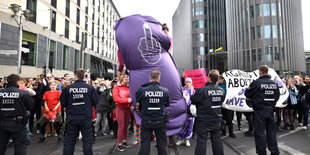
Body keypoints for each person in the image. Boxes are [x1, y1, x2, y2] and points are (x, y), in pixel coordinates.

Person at [60, 69, 98, 155]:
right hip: (86, 118)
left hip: (72, 118)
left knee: (69, 141)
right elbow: (96, 101)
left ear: (75, 76)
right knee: (87, 141)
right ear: (83, 76)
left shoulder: (68, 88)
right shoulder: (90, 88)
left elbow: (62, 102)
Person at [245, 65, 280, 155]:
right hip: (271, 110)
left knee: (260, 133)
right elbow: (277, 96)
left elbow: (247, 93)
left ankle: (262, 153)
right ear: (267, 72)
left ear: (260, 73)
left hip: (260, 111)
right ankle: (275, 151)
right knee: (271, 132)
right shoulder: (274, 83)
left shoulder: (257, 83)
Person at [136, 69, 170, 155]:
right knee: (162, 145)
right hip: (160, 121)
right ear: (159, 78)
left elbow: (137, 102)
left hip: (147, 120)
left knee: (145, 145)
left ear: (150, 77)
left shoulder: (141, 90)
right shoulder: (165, 91)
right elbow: (167, 104)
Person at [191, 70, 225, 155]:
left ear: (208, 78)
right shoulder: (221, 90)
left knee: (202, 141)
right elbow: (222, 101)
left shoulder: (201, 90)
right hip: (216, 119)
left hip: (204, 120)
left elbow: (193, 100)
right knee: (217, 140)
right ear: (217, 79)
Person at [0, 74, 34, 155]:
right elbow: (31, 106)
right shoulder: (23, 93)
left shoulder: (1, 93)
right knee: (20, 147)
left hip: (2, 123)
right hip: (18, 123)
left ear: (7, 82)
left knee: (1, 146)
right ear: (18, 82)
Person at [113, 73, 132, 152]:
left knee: (126, 126)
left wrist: (131, 104)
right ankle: (119, 143)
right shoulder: (116, 87)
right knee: (121, 126)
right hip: (120, 108)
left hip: (127, 109)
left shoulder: (129, 87)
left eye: (127, 77)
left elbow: (132, 97)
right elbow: (116, 98)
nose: (126, 78)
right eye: (124, 77)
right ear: (121, 78)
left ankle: (124, 141)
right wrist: (127, 100)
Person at [176, 77, 195, 146]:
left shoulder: (193, 91)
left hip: (190, 111)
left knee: (190, 125)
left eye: (189, 82)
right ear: (185, 82)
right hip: (182, 110)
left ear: (191, 83)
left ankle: (187, 139)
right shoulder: (181, 90)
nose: (188, 83)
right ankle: (181, 138)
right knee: (181, 124)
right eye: (187, 82)